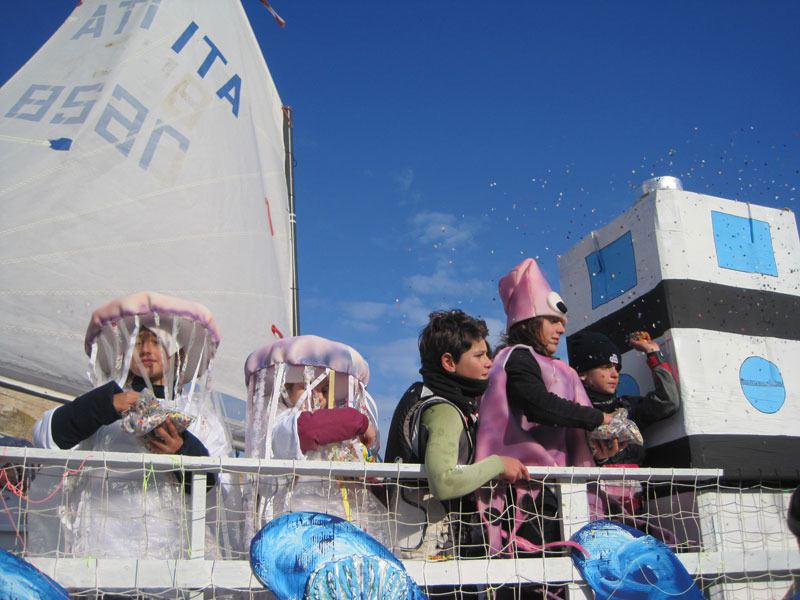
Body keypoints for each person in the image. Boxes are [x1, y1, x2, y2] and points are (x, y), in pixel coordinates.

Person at [28, 292, 233, 559]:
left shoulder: (201, 419)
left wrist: (183, 452)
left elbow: (220, 495)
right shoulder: (107, 408)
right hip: (104, 560)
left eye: (156, 341)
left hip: (174, 564)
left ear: (178, 353)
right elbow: (47, 439)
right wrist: (107, 405)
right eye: (137, 342)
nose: (146, 350)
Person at [474, 259, 619, 598]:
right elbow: (537, 403)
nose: (561, 329)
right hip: (524, 493)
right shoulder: (517, 357)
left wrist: (604, 439)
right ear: (530, 320)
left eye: (562, 322)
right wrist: (598, 419)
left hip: (553, 492)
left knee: (560, 575)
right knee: (532, 578)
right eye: (553, 320)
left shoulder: (558, 368)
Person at [384, 309, 529, 563]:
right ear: (449, 362)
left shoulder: (423, 396)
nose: (489, 363)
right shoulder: (444, 411)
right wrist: (498, 464)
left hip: (406, 545)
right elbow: (444, 482)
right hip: (428, 555)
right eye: (479, 355)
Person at [244, 334, 388, 547]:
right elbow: (309, 428)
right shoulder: (278, 422)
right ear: (285, 389)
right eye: (307, 387)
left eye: (323, 391)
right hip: (296, 529)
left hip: (337, 528)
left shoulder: (334, 436)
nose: (318, 396)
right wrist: (361, 422)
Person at [567, 330, 680, 466]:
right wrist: (603, 462)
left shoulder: (626, 408)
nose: (615, 374)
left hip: (637, 487)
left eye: (617, 368)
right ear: (582, 373)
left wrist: (653, 353)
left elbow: (668, 401)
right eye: (606, 367)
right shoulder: (570, 412)